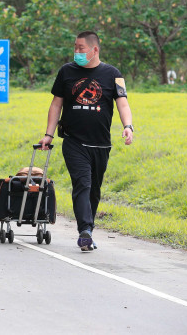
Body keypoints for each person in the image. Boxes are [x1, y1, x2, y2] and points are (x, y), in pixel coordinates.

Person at [39, 31, 134, 252]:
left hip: (101, 144)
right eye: (75, 47)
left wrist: (128, 126)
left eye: (81, 48)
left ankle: (88, 229)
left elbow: (123, 103)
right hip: (74, 141)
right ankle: (84, 231)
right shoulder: (67, 71)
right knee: (83, 183)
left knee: (94, 190)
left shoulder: (113, 74)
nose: (77, 52)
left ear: (95, 50)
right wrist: (49, 134)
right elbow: (56, 104)